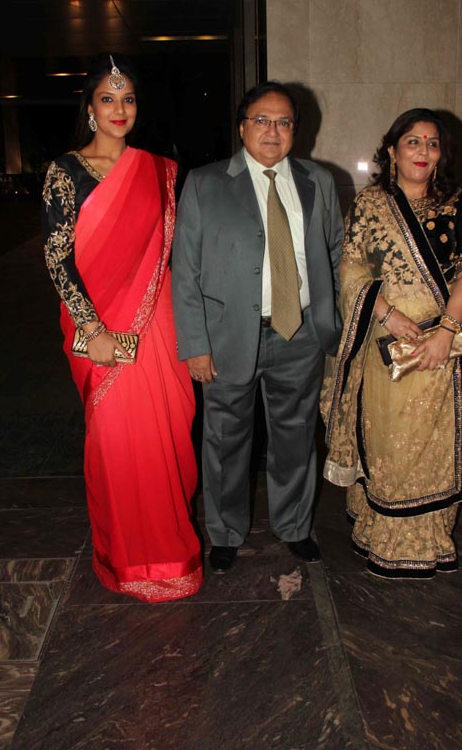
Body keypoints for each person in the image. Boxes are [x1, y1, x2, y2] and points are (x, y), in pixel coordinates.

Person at [41, 53, 202, 601]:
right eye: (107, 98)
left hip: (157, 322)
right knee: (115, 441)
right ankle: (128, 561)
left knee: (168, 434)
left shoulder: (158, 170)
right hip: (98, 326)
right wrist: (95, 329)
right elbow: (58, 258)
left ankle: (173, 557)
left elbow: (169, 256)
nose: (119, 108)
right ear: (89, 108)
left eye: (127, 98)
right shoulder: (65, 171)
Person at [172, 81, 344, 574]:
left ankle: (294, 526)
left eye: (284, 122)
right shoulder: (205, 183)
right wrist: (195, 343)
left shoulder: (318, 180)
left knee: (296, 436)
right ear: (242, 127)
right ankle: (226, 532)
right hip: (227, 337)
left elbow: (336, 251)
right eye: (262, 120)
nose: (273, 131)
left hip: (300, 333)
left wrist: (328, 319)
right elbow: (185, 271)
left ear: (296, 130)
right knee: (225, 439)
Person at [320, 108, 462, 578]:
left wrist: (446, 332)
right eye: (413, 141)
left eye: (432, 143)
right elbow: (351, 268)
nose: (423, 151)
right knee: (388, 441)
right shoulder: (370, 204)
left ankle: (425, 539)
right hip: (385, 346)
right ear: (392, 151)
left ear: (441, 154)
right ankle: (382, 532)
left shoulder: (458, 204)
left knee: (432, 443)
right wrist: (387, 314)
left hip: (441, 345)